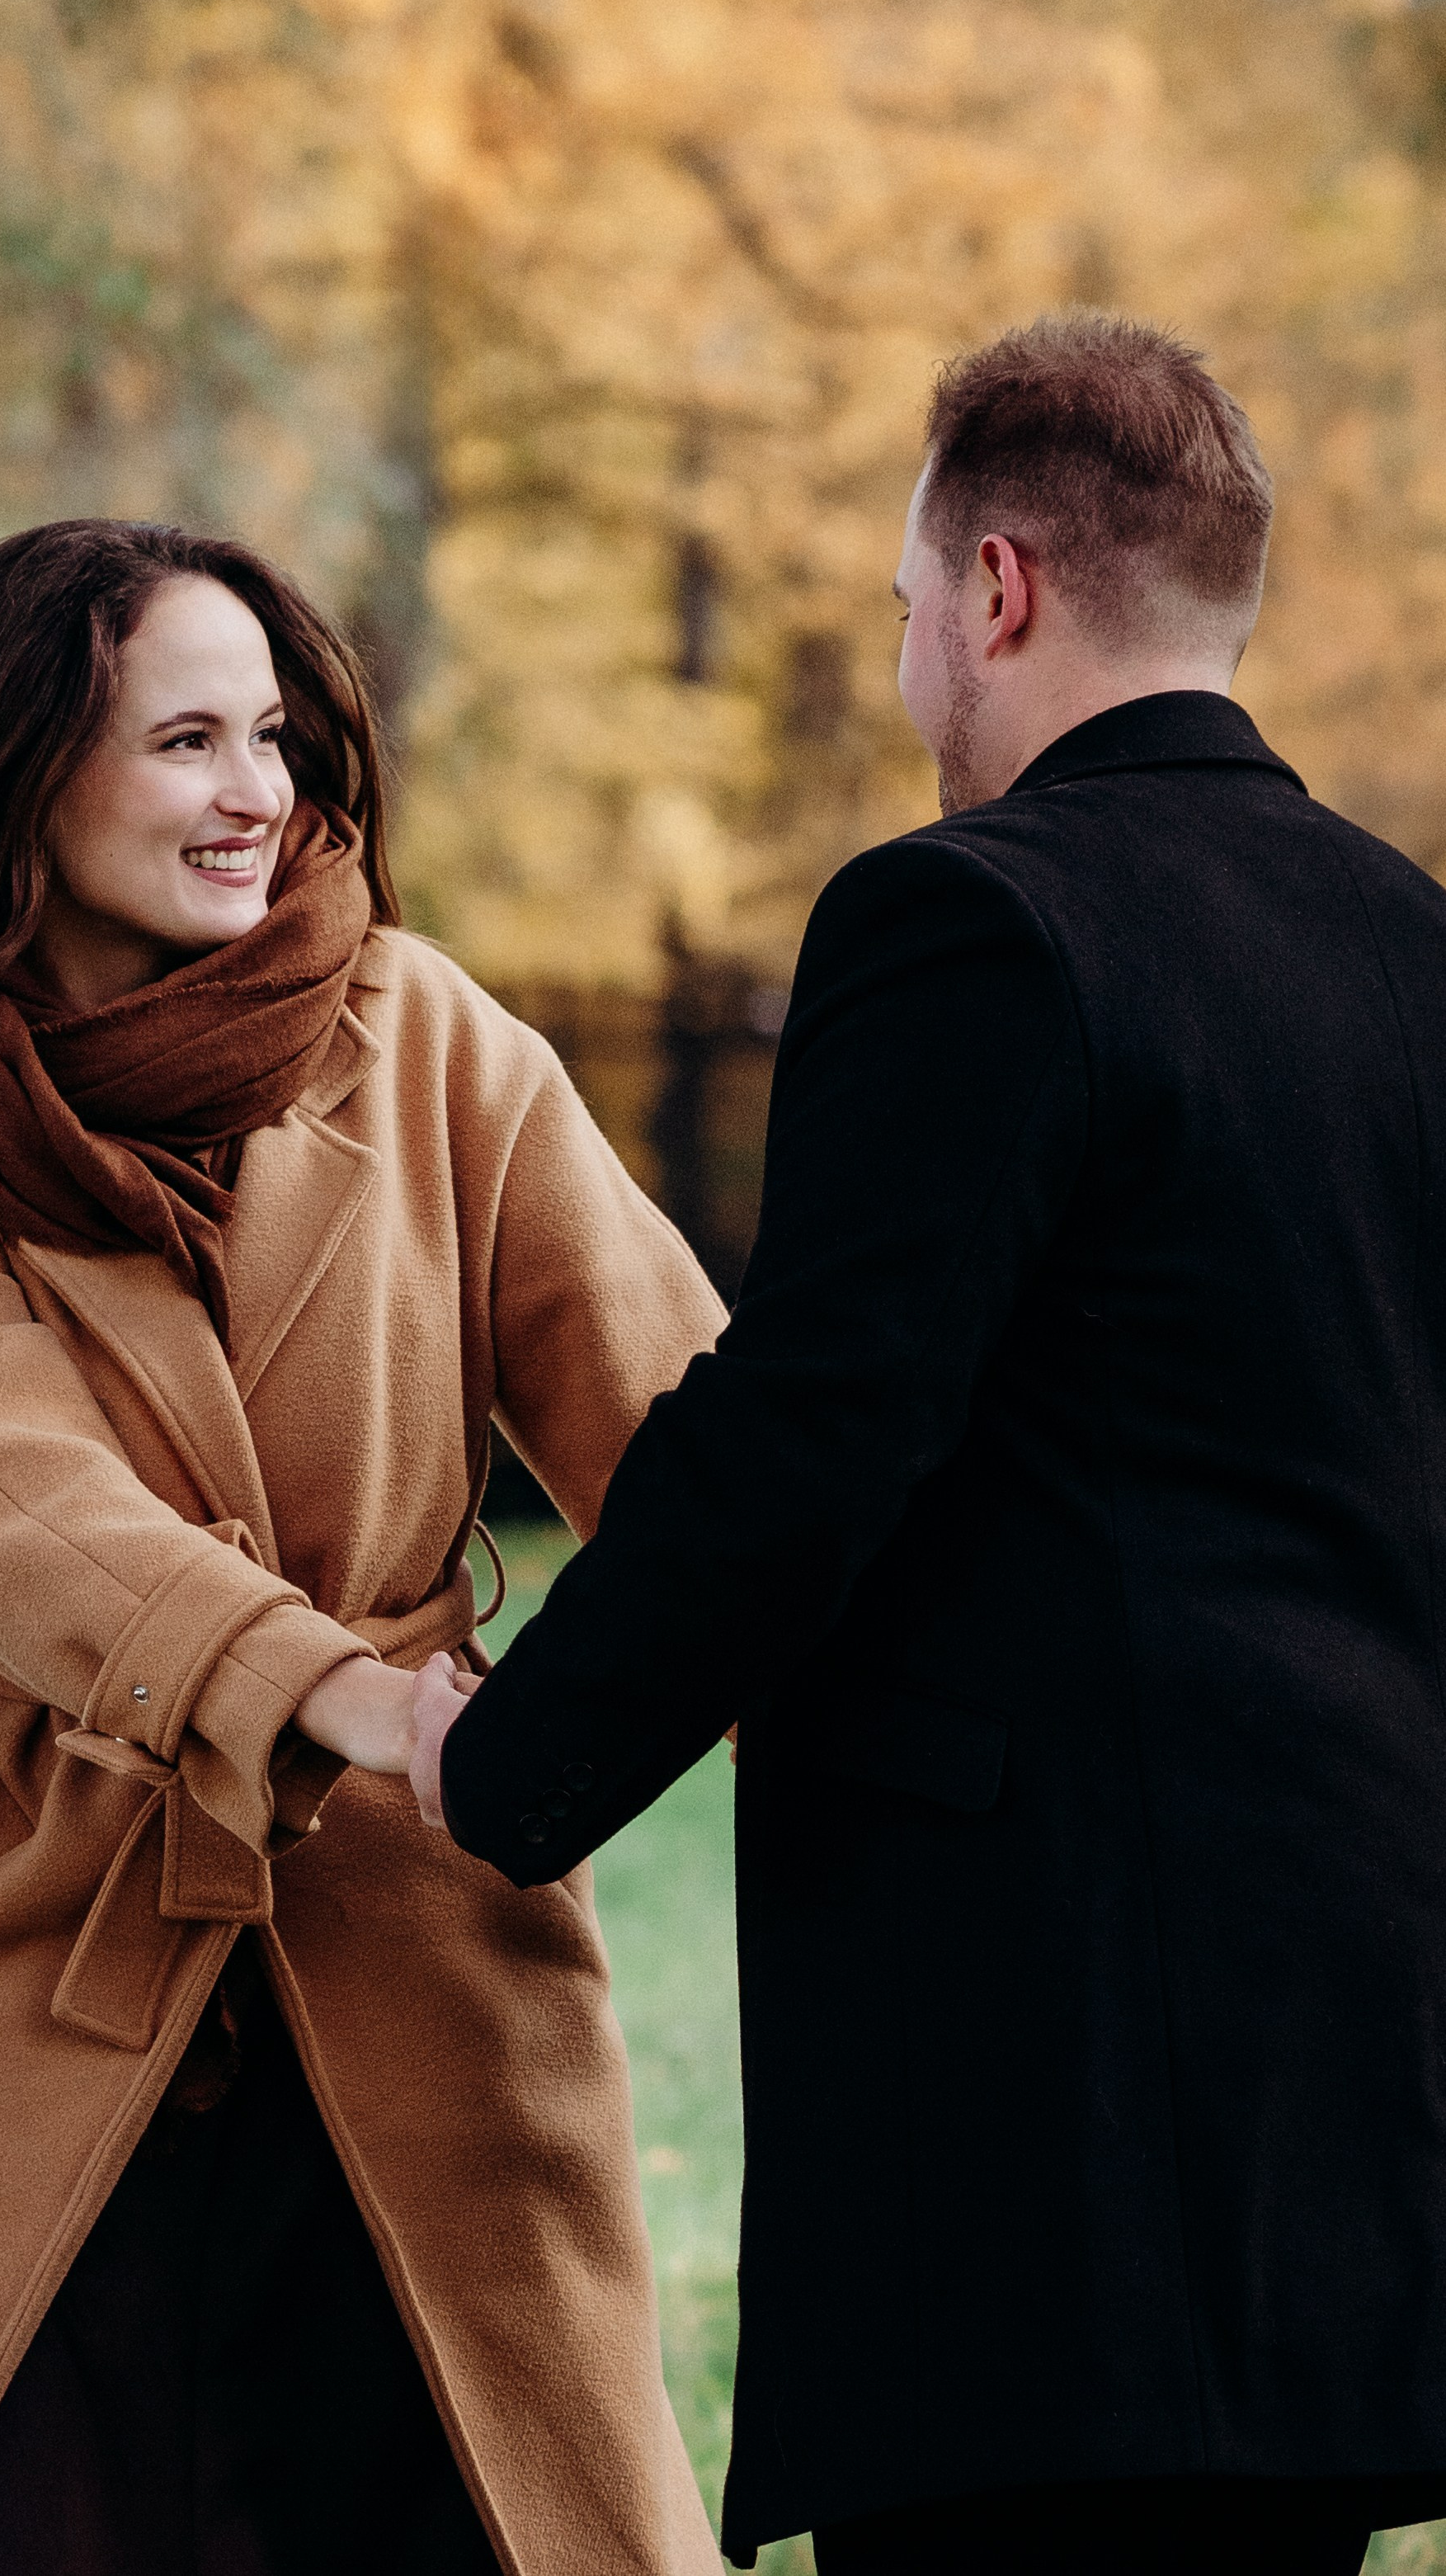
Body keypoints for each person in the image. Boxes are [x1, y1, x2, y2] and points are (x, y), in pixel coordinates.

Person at [408, 316, 1446, 2574]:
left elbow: (812, 1426)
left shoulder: (959, 918)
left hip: (1049, 2092)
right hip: (1352, 2065)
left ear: (992, 586)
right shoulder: (1405, 945)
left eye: (898, 617)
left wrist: (500, 1765)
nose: (903, 676)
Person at [0, 519, 727, 2576]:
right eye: (184, 739)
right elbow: (36, 1528)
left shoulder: (427, 1041)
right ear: (21, 776)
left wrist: (884, 1683)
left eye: (273, 736)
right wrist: (354, 1697)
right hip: (6, 1957)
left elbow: (688, 1431)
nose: (257, 794)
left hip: (419, 1949)